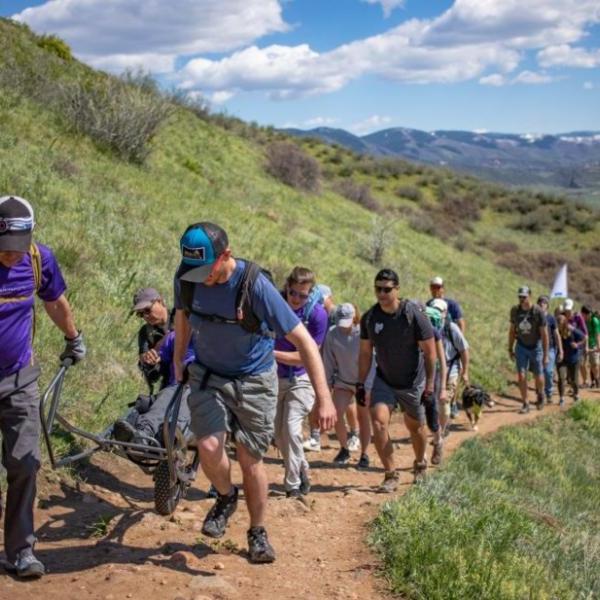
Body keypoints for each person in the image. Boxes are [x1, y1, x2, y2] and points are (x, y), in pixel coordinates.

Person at [172, 222, 336, 563]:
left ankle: (257, 531)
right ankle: (225, 495)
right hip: (209, 373)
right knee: (208, 446)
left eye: (208, 270)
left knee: (250, 460)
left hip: (255, 379)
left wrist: (324, 397)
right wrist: (178, 360)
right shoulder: (187, 276)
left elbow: (305, 342)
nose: (201, 278)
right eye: (195, 270)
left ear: (226, 255)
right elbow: (183, 317)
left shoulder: (255, 286)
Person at [0, 195, 85, 578]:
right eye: (4, 248)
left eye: (17, 248)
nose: (11, 256)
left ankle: (20, 551)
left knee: (24, 465)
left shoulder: (38, 260)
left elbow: (54, 301)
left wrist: (73, 337)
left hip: (19, 381)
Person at [357, 269, 436, 490]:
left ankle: (420, 463)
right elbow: (364, 353)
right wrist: (361, 383)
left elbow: (430, 353)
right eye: (378, 289)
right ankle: (390, 474)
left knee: (415, 426)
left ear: (397, 289)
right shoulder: (370, 318)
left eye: (387, 289)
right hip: (385, 379)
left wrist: (429, 386)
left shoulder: (413, 316)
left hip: (412, 381)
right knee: (379, 422)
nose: (381, 293)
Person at [273, 267, 328, 497]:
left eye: (302, 295)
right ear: (287, 288)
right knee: (278, 435)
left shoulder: (317, 315)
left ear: (310, 294)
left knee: (291, 428)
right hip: (275, 379)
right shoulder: (275, 306)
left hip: (301, 379)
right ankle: (302, 467)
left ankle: (292, 486)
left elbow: (308, 355)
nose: (296, 299)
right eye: (292, 293)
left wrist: (271, 353)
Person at [112, 330, 195, 446]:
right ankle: (146, 435)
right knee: (174, 392)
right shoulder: (177, 336)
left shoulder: (223, 350)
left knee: (188, 393)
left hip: (202, 403)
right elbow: (155, 359)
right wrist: (151, 360)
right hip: (171, 393)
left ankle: (152, 434)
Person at [322, 303, 372, 469]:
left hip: (362, 382)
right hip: (343, 381)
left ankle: (364, 454)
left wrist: (366, 384)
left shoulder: (363, 333)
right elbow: (328, 361)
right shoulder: (332, 334)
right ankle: (344, 449)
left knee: (363, 417)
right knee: (335, 414)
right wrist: (327, 385)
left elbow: (372, 360)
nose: (343, 325)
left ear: (354, 317)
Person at [508, 286, 548, 413]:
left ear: (530, 296)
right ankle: (526, 403)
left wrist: (546, 355)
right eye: (519, 297)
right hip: (521, 346)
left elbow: (544, 335)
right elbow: (512, 330)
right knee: (521, 375)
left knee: (538, 375)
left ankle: (541, 394)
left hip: (536, 347)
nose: (521, 299)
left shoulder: (538, 312)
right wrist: (510, 348)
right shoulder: (515, 311)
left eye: (524, 297)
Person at [132, 287, 173, 393]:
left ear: (160, 301)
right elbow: (152, 376)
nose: (145, 316)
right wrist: (148, 362)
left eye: (147, 310)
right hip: (170, 384)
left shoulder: (180, 317)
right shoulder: (145, 332)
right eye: (140, 314)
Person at [422, 304, 447, 463]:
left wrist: (443, 388)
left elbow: (443, 364)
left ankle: (438, 441)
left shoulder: (434, 333)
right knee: (417, 417)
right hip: (416, 377)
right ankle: (421, 457)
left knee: (431, 413)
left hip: (433, 375)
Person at [537, 295, 563, 403]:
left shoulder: (551, 318)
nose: (542, 304)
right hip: (537, 348)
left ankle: (549, 393)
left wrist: (561, 350)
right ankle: (540, 394)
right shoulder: (535, 317)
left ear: (547, 305)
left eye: (544, 302)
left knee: (548, 372)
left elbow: (556, 335)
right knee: (539, 372)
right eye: (540, 302)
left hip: (551, 348)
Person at [556, 315, 586, 406]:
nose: (559, 324)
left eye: (561, 322)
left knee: (573, 379)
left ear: (565, 322)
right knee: (561, 378)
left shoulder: (572, 330)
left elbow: (584, 338)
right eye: (558, 322)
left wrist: (577, 345)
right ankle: (561, 398)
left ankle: (576, 395)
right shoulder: (556, 331)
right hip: (562, 358)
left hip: (573, 358)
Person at [563, 299, 588, 387]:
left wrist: (579, 345)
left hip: (578, 348)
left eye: (569, 310)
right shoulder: (562, 317)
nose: (568, 312)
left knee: (575, 367)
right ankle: (572, 384)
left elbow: (585, 335)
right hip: (566, 347)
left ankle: (574, 388)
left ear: (573, 309)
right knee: (568, 369)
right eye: (566, 311)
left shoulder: (578, 317)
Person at [581, 305, 600, 388]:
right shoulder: (582, 320)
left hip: (593, 344)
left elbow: (597, 334)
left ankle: (597, 380)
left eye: (589, 314)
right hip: (583, 344)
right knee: (582, 364)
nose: (588, 316)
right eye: (586, 314)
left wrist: (599, 346)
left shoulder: (594, 320)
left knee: (595, 364)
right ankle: (586, 381)